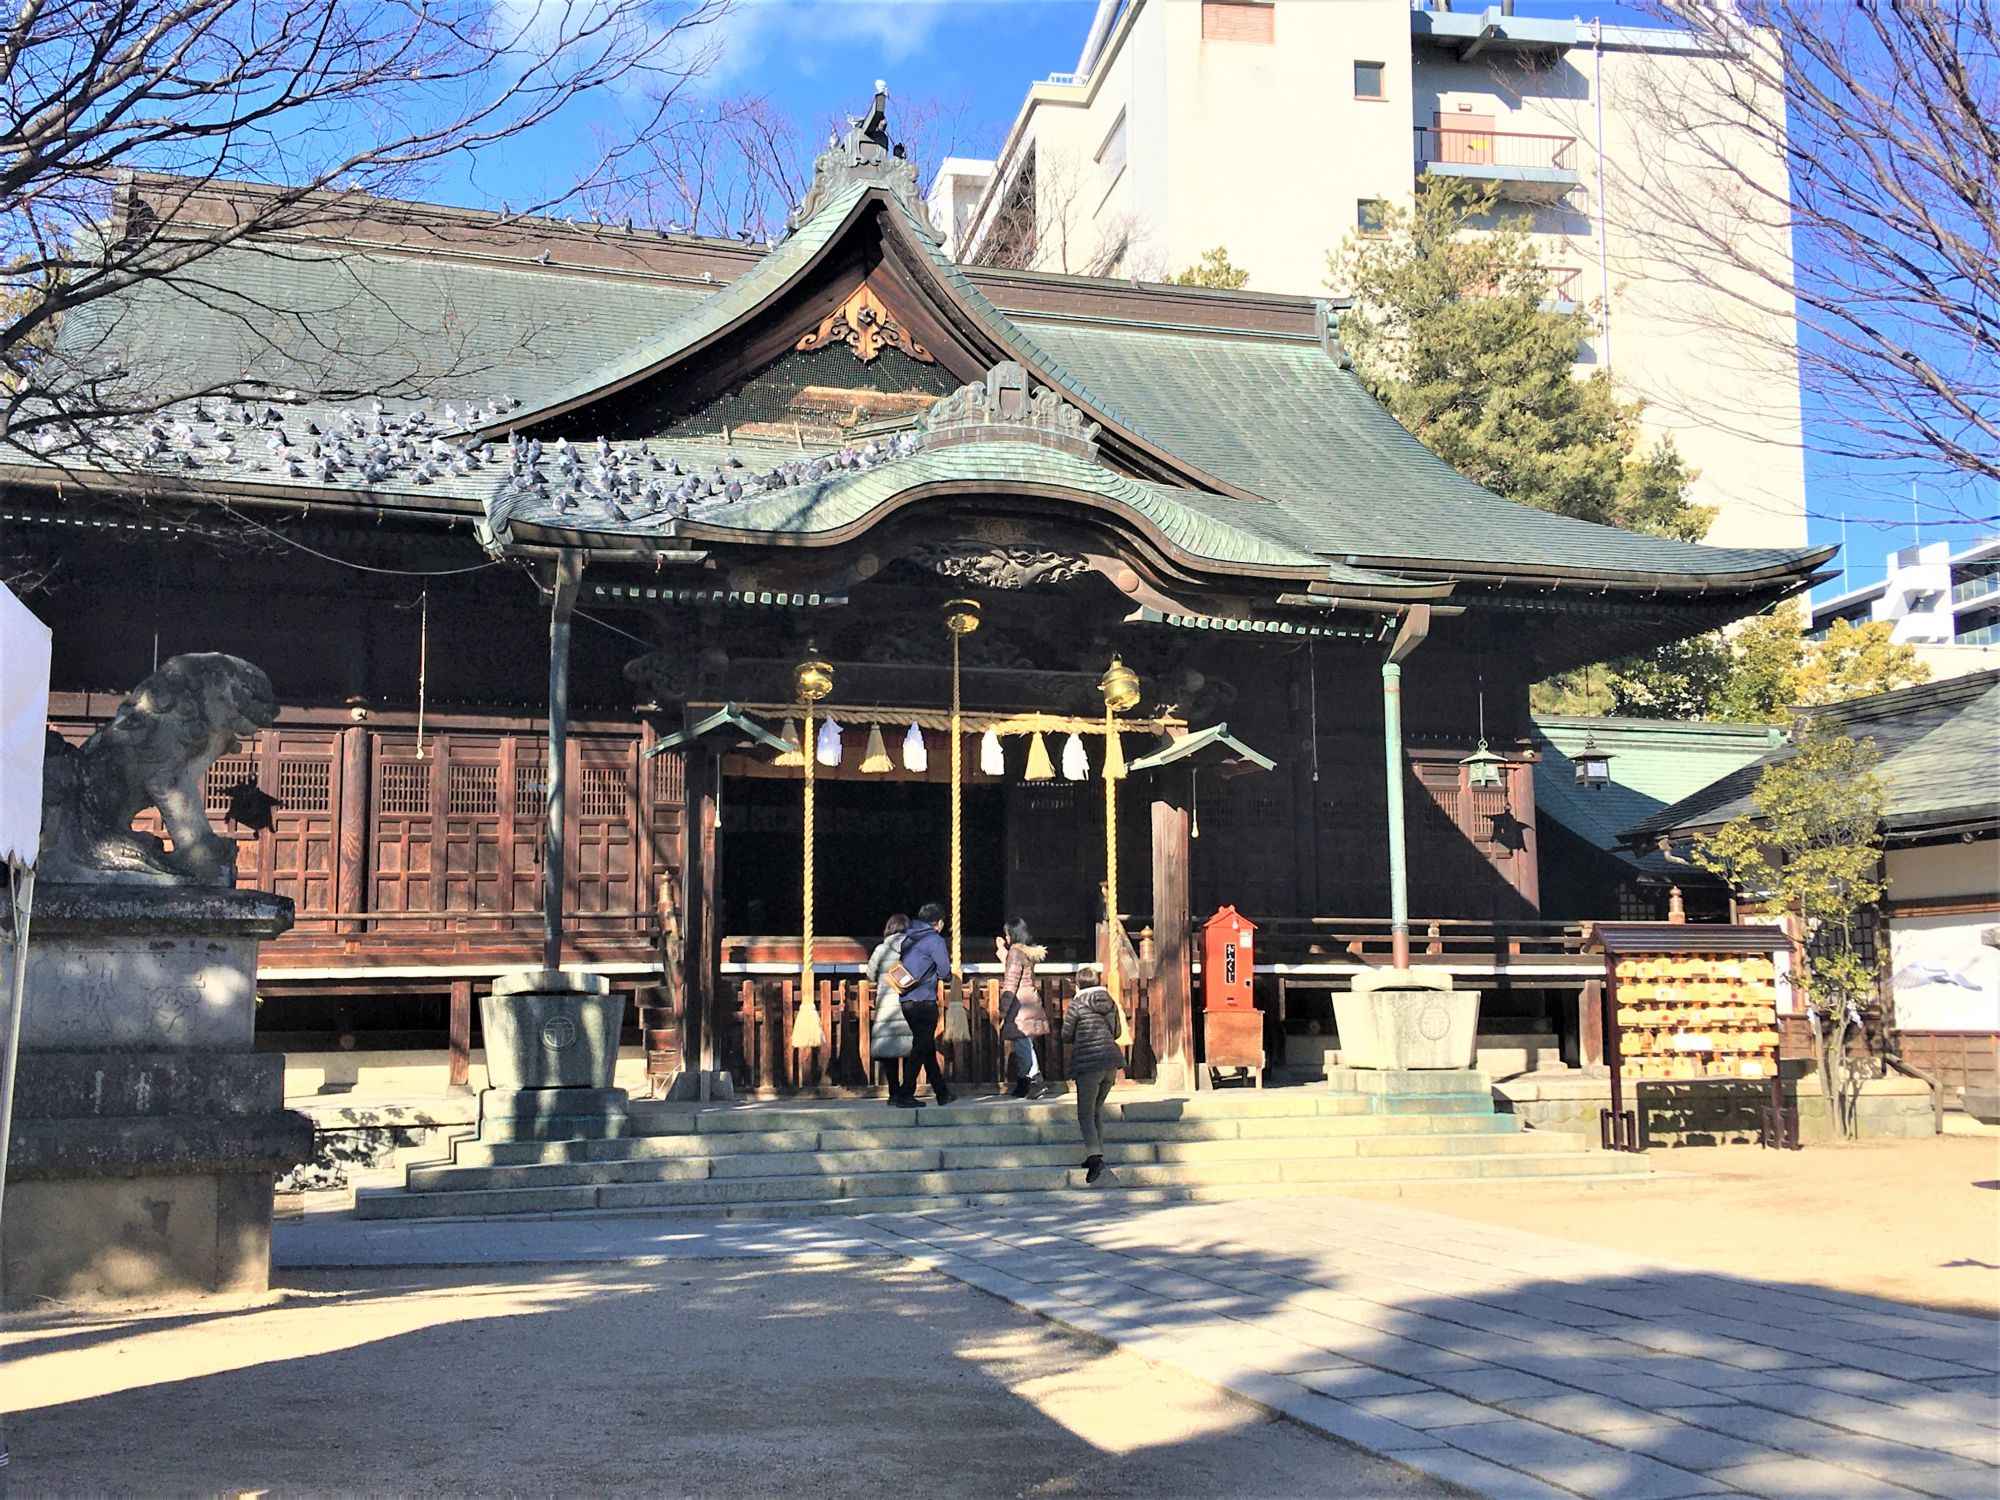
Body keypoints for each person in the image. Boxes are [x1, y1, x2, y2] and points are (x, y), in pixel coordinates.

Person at [1063, 962, 1124, 1184]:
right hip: (1111, 1062)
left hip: (1089, 1064)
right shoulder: (1110, 1002)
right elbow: (1117, 1032)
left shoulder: (1077, 1004)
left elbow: (1066, 1035)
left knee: (1085, 1113)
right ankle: (1095, 1153)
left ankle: (1095, 1158)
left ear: (1078, 983)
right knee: (1096, 1110)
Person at [891, 901, 954, 1107]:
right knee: (920, 1047)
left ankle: (942, 1093)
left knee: (925, 1046)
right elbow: (944, 971)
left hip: (906, 999)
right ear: (939, 922)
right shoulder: (934, 940)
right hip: (925, 1000)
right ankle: (905, 1093)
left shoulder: (908, 939)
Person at [996, 918, 1049, 1099]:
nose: (1006, 937)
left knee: (1023, 1045)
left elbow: (1011, 980)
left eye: (1007, 934)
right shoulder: (1026, 952)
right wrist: (1002, 950)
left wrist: (1004, 1007)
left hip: (1020, 1004)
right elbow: (1014, 966)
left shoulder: (1015, 953)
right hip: (1030, 999)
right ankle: (1023, 1084)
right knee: (1025, 1044)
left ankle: (1035, 1080)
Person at [867, 914, 914, 1104]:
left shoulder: (881, 949)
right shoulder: (914, 948)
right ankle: (907, 1092)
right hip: (909, 1002)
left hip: (887, 1005)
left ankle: (894, 1092)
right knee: (911, 1051)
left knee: (890, 1053)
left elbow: (870, 974)